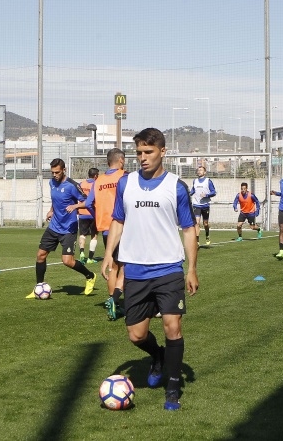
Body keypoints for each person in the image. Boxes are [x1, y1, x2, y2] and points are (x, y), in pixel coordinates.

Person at [101, 127, 198, 410]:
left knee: (173, 327)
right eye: (139, 152)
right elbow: (118, 220)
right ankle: (157, 356)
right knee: (137, 335)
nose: (142, 157)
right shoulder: (126, 183)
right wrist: (108, 254)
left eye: (148, 152)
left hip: (168, 268)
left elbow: (189, 229)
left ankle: (173, 388)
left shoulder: (176, 186)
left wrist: (191, 268)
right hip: (135, 270)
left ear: (162, 152)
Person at [27, 158, 96, 298]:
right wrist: (51, 210)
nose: (55, 175)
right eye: (52, 172)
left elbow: (87, 201)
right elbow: (55, 199)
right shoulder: (51, 182)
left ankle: (90, 276)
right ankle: (38, 287)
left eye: (57, 172)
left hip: (68, 229)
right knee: (40, 255)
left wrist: (75, 206)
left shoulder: (72, 185)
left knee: (67, 261)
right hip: (54, 226)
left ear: (64, 170)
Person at [83, 149, 127, 320]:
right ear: (121, 160)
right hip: (123, 227)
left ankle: (112, 302)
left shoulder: (99, 180)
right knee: (127, 266)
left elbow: (88, 203)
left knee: (113, 267)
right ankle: (117, 299)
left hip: (106, 229)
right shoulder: (124, 176)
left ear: (108, 162)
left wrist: (98, 216)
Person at [77, 168, 99, 264]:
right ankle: (90, 258)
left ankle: (82, 253)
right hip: (93, 213)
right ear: (96, 176)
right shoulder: (96, 184)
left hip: (82, 212)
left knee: (82, 234)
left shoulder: (81, 184)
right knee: (94, 235)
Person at [190, 166, 216, 245]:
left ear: (205, 172)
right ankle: (197, 240)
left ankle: (207, 235)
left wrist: (206, 195)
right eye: (198, 170)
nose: (199, 171)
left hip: (205, 205)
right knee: (197, 223)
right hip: (196, 204)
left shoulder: (208, 181)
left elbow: (213, 192)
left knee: (205, 223)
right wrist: (188, 194)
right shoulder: (195, 181)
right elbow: (193, 190)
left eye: (201, 170)